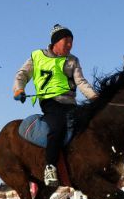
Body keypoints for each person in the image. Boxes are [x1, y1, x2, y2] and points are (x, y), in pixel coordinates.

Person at [13, 24, 98, 186]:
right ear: (56, 42)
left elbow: (81, 81)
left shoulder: (73, 60)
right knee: (58, 126)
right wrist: (19, 89)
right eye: (67, 41)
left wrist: (95, 97)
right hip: (50, 103)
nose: (70, 45)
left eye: (72, 42)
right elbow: (22, 74)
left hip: (70, 103)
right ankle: (50, 167)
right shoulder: (37, 56)